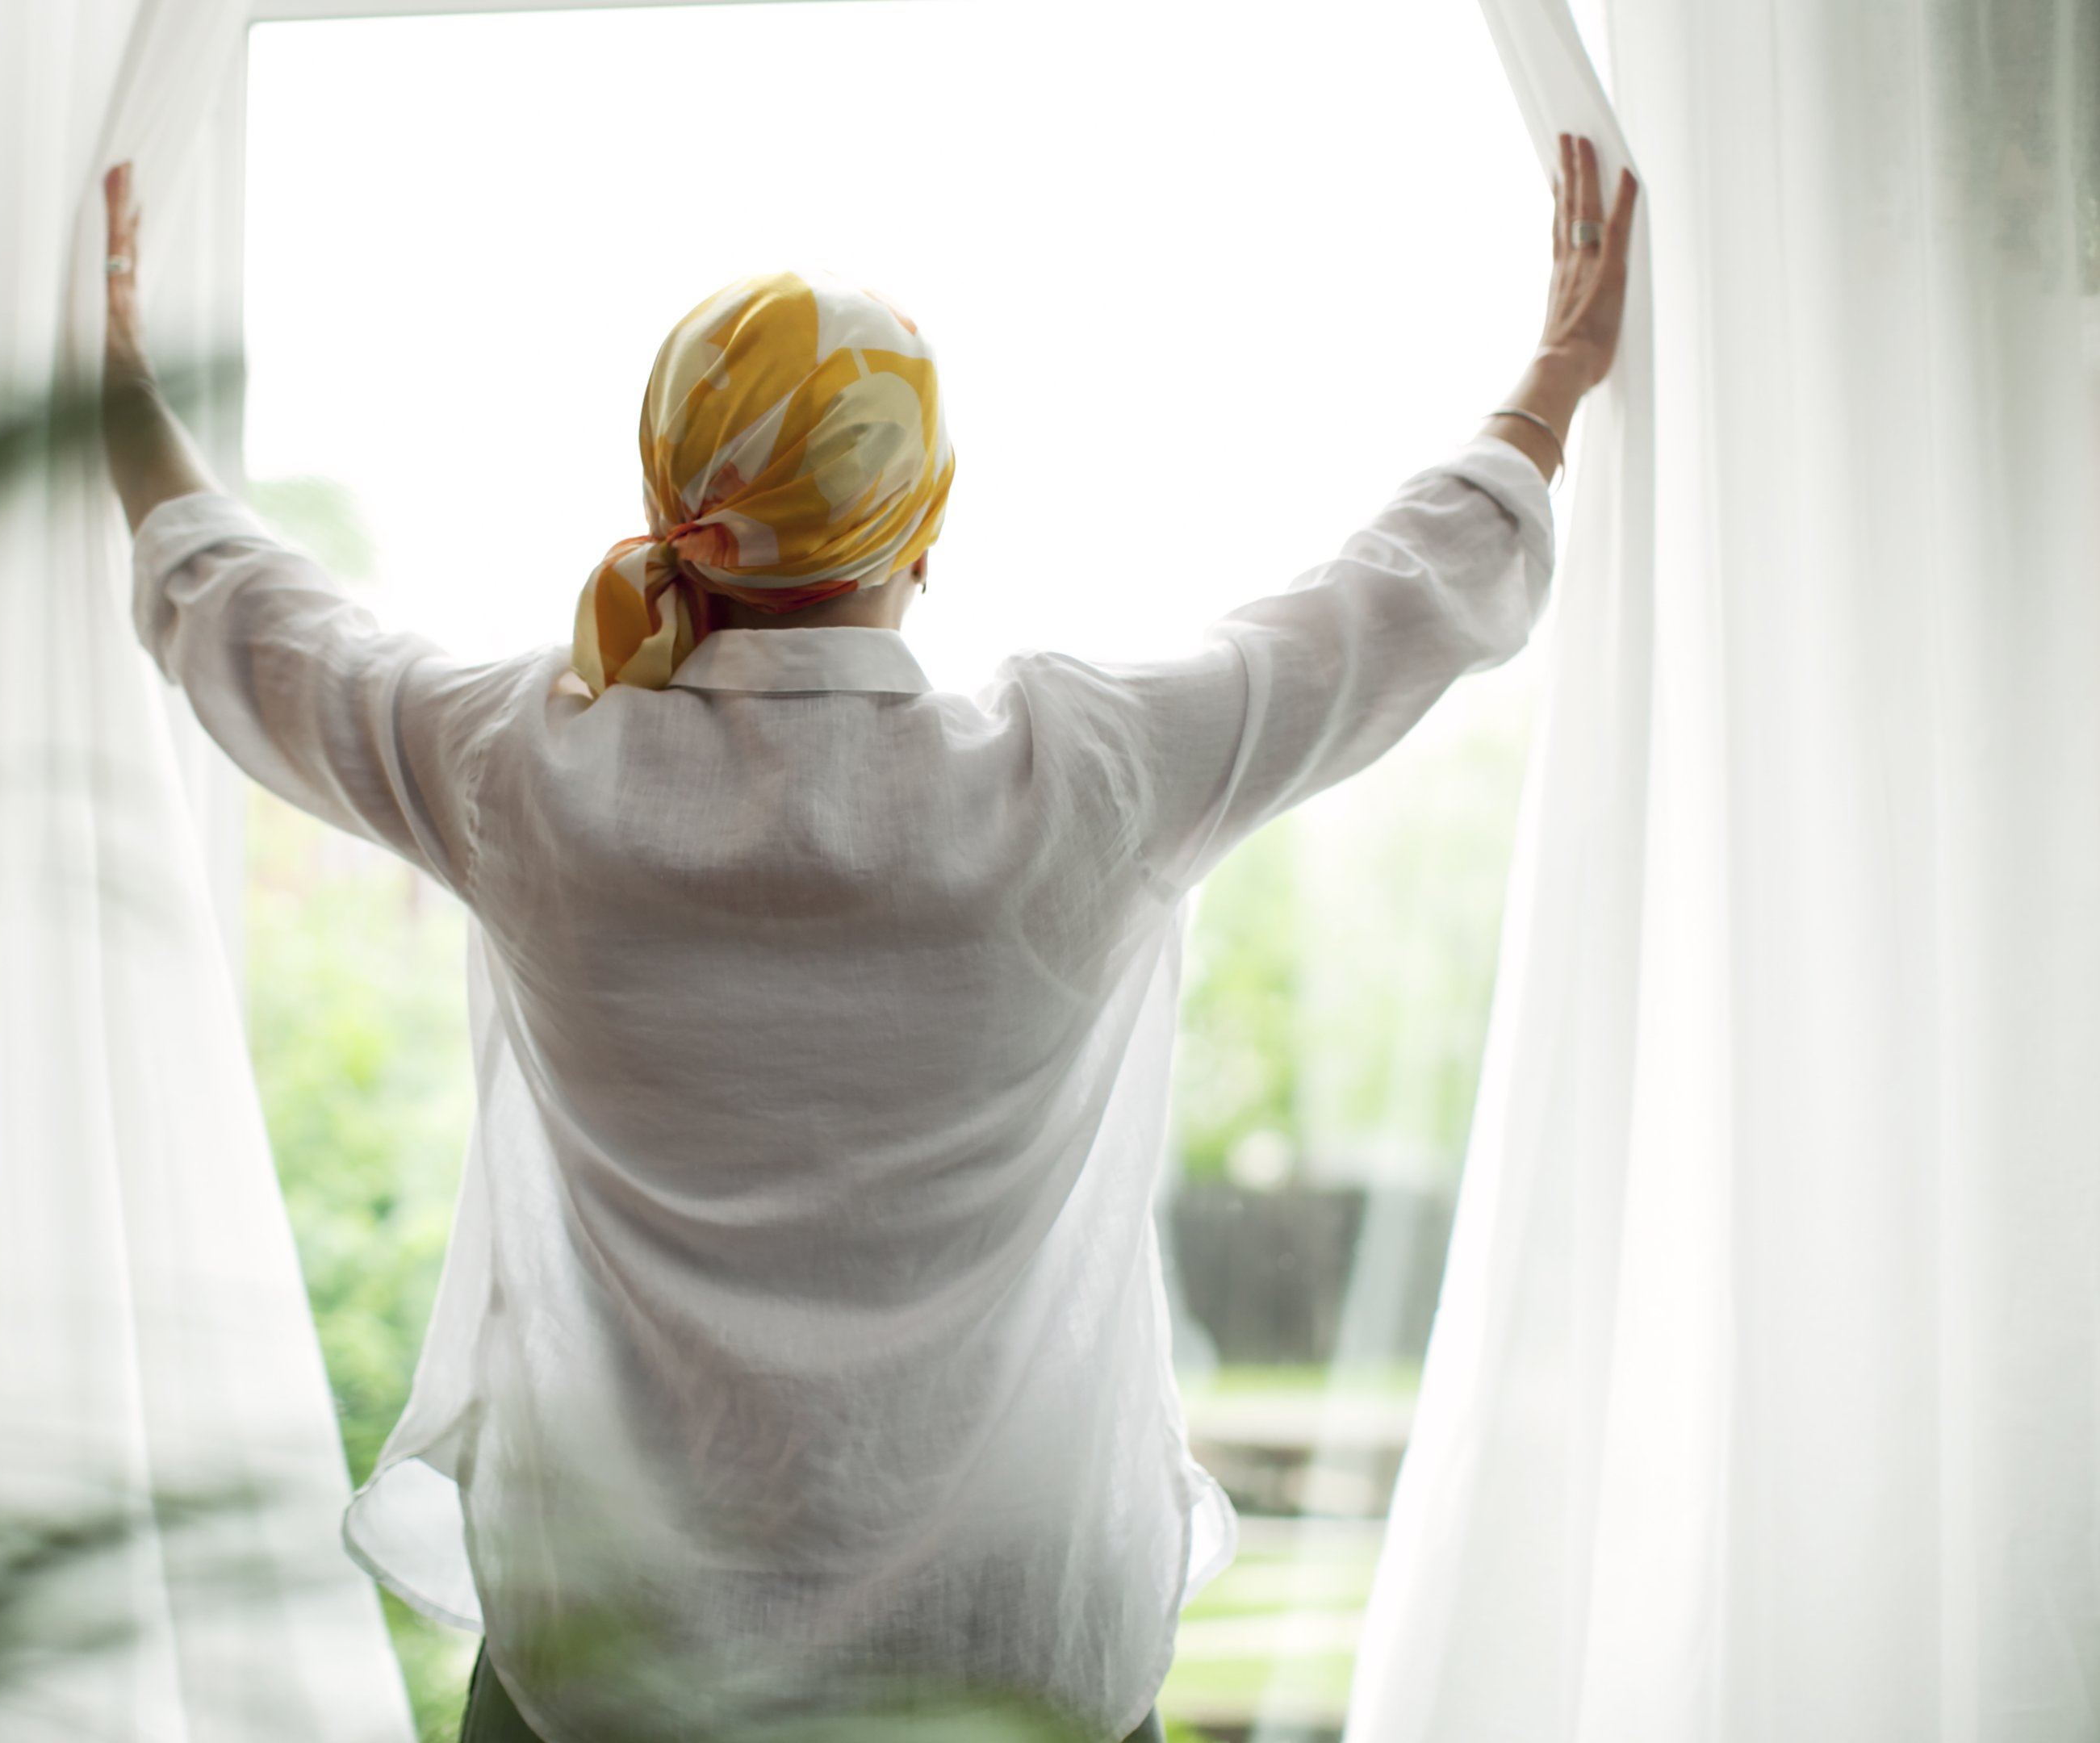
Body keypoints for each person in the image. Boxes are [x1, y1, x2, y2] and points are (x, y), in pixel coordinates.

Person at [99, 137, 1636, 1743]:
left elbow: (252, 620)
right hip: (1017, 1664)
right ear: (928, 520)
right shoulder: (1086, 783)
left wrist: (117, 388)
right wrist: (1555, 381)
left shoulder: (526, 775)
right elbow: (1386, 609)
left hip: (610, 1686)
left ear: (668, 506)